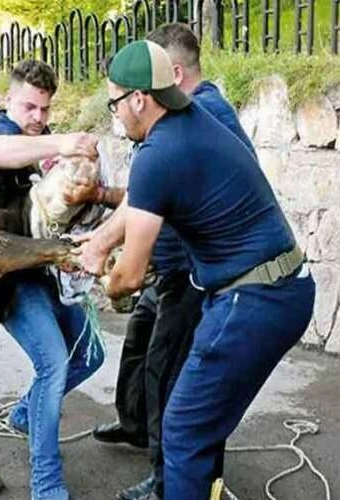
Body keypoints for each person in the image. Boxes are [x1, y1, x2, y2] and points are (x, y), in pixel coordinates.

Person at [80, 40, 314, 499]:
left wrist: (96, 276)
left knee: (183, 430)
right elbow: (141, 205)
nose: (115, 115)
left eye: (114, 103)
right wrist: (100, 241)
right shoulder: (191, 119)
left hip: (252, 299)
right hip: (279, 290)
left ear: (138, 100)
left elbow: (127, 280)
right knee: (199, 428)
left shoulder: (157, 154)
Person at [0, 59, 105, 500]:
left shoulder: (38, 143)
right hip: (12, 281)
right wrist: (64, 141)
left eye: (45, 110)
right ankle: (46, 483)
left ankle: (27, 412)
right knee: (53, 364)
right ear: (7, 101)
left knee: (90, 357)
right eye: (30, 107)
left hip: (50, 272)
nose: (39, 118)